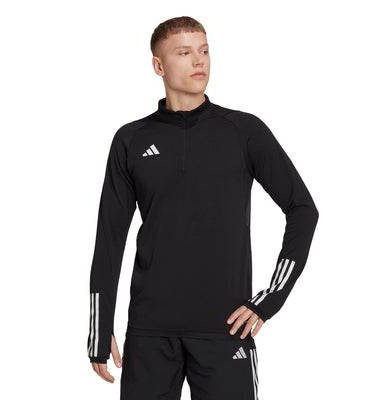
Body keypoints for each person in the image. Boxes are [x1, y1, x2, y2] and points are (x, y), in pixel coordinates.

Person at [87, 16, 319, 400]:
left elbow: (302, 209)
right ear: (159, 66)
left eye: (205, 50)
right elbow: (109, 238)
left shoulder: (243, 131)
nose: (200, 61)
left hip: (226, 329)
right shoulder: (131, 140)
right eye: (184, 53)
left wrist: (271, 298)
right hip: (150, 333)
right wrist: (100, 327)